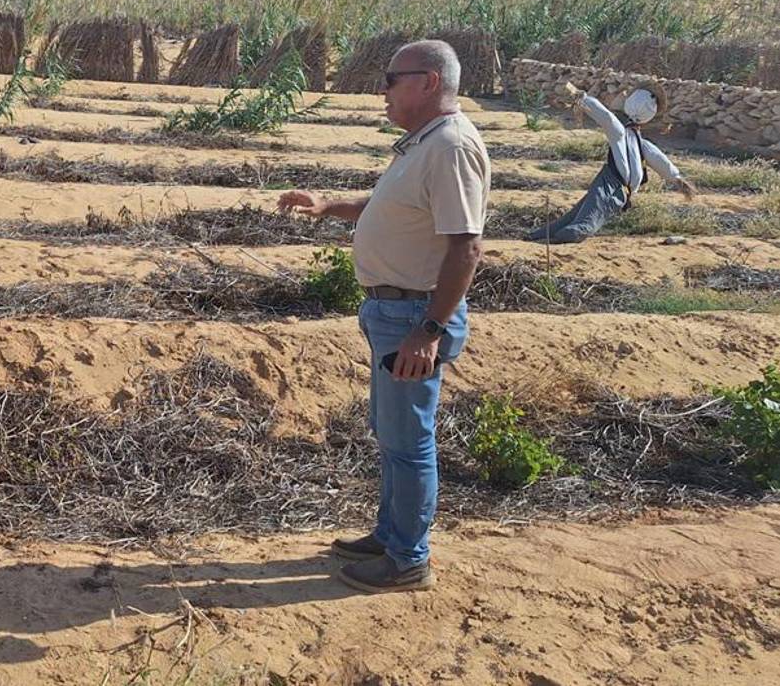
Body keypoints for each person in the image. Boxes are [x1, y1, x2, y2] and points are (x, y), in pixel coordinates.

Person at [278, 40, 489, 594]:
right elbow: (389, 209)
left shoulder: (451, 147)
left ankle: (408, 560)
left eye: (391, 79)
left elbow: (466, 246)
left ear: (428, 82)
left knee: (410, 442)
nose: (383, 90)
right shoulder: (424, 143)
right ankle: (390, 536)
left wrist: (429, 330)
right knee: (393, 436)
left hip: (414, 316)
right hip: (393, 312)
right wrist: (327, 207)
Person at [527, 82, 697, 243]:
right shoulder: (630, 137)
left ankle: (552, 234)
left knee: (582, 216)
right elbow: (658, 159)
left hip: (614, 187)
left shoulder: (632, 138)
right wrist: (676, 178)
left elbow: (608, 119)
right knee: (583, 219)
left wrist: (584, 99)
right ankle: (549, 235)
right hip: (613, 186)